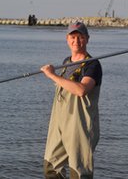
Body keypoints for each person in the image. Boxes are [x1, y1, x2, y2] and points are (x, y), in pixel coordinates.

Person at [40, 22, 102, 179]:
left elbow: (81, 90)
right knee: (51, 167)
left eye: (81, 37)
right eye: (73, 37)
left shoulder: (93, 65)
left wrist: (52, 75)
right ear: (67, 39)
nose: (76, 41)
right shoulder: (67, 62)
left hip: (79, 125)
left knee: (79, 172)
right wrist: (56, 76)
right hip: (59, 123)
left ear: (87, 39)